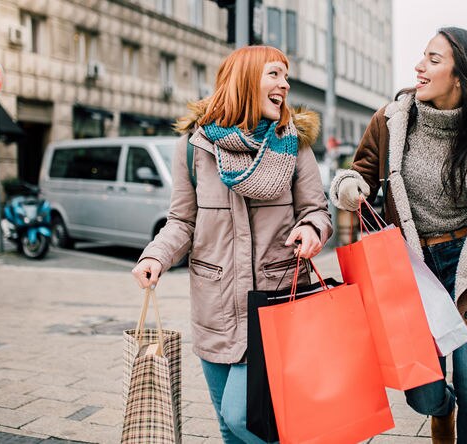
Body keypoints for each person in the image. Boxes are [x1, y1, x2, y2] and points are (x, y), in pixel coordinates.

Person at [330, 27, 467, 444]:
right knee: (423, 391)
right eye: (423, 56)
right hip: (411, 268)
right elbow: (358, 172)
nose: (420, 66)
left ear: (462, 77)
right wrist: (347, 186)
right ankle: (441, 410)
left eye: (434, 60)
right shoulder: (391, 121)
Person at [131, 45, 332, 443]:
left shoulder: (295, 143)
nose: (285, 84)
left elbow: (317, 211)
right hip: (215, 307)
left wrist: (311, 230)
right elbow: (181, 220)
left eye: (285, 76)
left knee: (242, 417)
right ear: (245, 79)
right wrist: (156, 255)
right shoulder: (194, 146)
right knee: (227, 425)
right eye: (275, 74)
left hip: (275, 303)